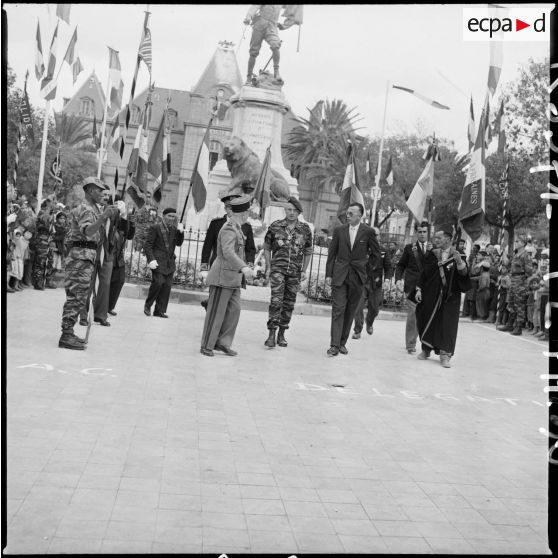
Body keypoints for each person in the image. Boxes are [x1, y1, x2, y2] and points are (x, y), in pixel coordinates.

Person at [59, 178, 118, 350]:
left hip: (85, 258)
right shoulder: (85, 208)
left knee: (80, 297)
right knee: (76, 297)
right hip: (79, 258)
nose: (102, 194)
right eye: (99, 190)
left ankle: (68, 332)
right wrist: (102, 218)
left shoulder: (93, 208)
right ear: (91, 190)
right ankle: (66, 335)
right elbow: (87, 231)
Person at [200, 196, 255, 357]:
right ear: (243, 213)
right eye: (247, 212)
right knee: (216, 312)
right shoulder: (229, 228)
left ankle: (223, 342)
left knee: (234, 311)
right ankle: (207, 345)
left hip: (233, 279)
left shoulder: (238, 228)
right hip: (222, 277)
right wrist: (244, 267)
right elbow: (228, 252)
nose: (248, 215)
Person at [325, 203, 380, 356]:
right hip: (340, 276)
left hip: (358, 277)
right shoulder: (339, 231)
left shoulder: (368, 232)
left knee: (350, 311)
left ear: (359, 216)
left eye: (351, 213)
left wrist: (366, 271)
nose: (347, 215)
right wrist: (329, 274)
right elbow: (332, 254)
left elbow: (376, 255)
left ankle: (342, 343)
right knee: (338, 309)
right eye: (347, 213)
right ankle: (334, 345)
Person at [415, 228, 471, 368]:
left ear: (448, 238)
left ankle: (445, 355)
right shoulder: (433, 254)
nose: (436, 240)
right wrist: (418, 289)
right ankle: (426, 350)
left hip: (450, 297)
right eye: (435, 238)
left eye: (439, 238)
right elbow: (424, 273)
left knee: (448, 325)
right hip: (432, 294)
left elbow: (464, 275)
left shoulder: (458, 254)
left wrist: (459, 262)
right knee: (428, 319)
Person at [262, 197, 313, 348]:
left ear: (299, 212)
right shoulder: (275, 226)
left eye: (294, 210)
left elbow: (308, 251)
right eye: (289, 209)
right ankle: (271, 333)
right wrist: (269, 266)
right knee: (276, 301)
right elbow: (266, 247)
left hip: (295, 272)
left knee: (289, 303)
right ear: (285, 210)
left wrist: (304, 270)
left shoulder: (305, 229)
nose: (291, 213)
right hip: (278, 269)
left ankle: (282, 333)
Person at [200, 190, 256, 310]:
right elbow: (207, 246)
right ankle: (211, 307)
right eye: (229, 207)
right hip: (219, 266)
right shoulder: (216, 223)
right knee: (217, 297)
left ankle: (213, 307)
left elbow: (250, 248)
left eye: (234, 207)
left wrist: (249, 265)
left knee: (231, 302)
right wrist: (204, 268)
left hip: (236, 268)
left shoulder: (246, 226)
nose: (231, 210)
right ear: (225, 208)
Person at [79, 188, 118, 327]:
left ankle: (100, 315)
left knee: (105, 284)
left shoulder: (113, 210)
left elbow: (123, 230)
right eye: (103, 194)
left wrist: (124, 215)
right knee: (87, 284)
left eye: (108, 195)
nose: (105, 197)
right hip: (91, 250)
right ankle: (83, 315)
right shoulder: (90, 208)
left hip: (106, 252)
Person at [394, 221, 431, 354]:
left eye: (424, 231)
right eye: (419, 232)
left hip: (427, 287)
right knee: (412, 315)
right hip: (412, 286)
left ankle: (427, 345)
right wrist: (398, 279)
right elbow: (400, 265)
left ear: (428, 232)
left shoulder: (433, 249)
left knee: (426, 315)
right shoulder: (410, 248)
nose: (422, 234)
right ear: (416, 233)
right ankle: (411, 344)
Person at [144, 207, 185, 318]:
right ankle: (148, 304)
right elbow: (148, 245)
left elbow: (179, 244)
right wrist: (151, 259)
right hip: (157, 261)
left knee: (166, 286)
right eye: (169, 216)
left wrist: (181, 233)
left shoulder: (174, 229)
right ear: (163, 216)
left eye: (173, 216)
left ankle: (159, 310)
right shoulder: (155, 227)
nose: (171, 218)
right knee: (158, 282)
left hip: (169, 262)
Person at [352, 227, 392, 339]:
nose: (374, 237)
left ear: (379, 237)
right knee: (358, 306)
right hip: (363, 281)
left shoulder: (383, 251)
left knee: (374, 308)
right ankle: (357, 329)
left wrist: (387, 279)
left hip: (376, 283)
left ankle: (369, 322)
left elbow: (388, 267)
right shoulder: (362, 248)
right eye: (372, 235)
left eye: (376, 235)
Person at [497, 235, 533, 336]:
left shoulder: (526, 255)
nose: (516, 243)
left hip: (520, 281)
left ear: (523, 243)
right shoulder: (516, 254)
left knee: (519, 305)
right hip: (513, 280)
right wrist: (503, 252)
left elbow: (529, 271)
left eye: (517, 241)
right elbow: (507, 264)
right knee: (511, 303)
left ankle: (518, 327)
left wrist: (525, 283)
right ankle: (510, 324)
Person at [108, 197, 136, 316]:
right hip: (108, 255)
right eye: (116, 204)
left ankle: (110, 306)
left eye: (120, 205)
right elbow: (113, 225)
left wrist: (130, 220)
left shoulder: (124, 218)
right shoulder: (109, 215)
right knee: (106, 283)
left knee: (119, 281)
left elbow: (128, 235)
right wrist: (121, 215)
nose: (118, 207)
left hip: (118, 257)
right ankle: (102, 306)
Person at [243, 5, 285, 84]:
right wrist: (248, 17)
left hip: (272, 28)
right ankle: (249, 77)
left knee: (275, 45)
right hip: (259, 25)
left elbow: (291, 8)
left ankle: (276, 72)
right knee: (253, 52)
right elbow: (254, 7)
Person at [31, 195, 56, 290]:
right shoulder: (42, 212)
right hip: (42, 240)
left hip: (49, 240)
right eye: (53, 203)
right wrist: (49, 204)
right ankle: (38, 282)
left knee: (50, 261)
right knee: (40, 261)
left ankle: (47, 280)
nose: (55, 204)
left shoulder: (52, 213)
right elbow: (44, 219)